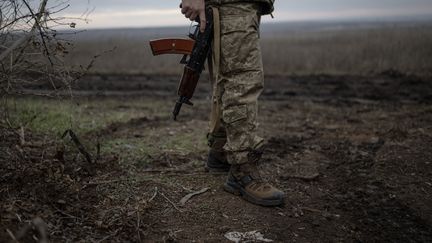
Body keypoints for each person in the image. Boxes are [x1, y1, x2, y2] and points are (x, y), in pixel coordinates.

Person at [180, 0, 284, 206]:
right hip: (233, 6)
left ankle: (221, 149)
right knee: (243, 82)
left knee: (227, 80)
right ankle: (242, 170)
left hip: (240, 8)